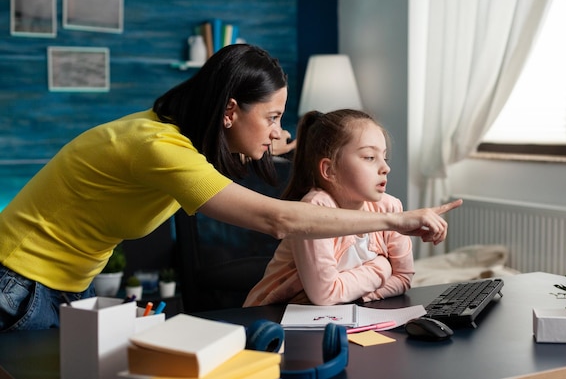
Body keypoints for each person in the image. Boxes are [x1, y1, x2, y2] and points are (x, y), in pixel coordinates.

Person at [0, 44, 461, 331]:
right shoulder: (160, 148)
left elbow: (255, 147)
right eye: (272, 117)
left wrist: (282, 142)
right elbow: (276, 219)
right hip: (18, 281)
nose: (275, 132)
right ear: (230, 110)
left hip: (57, 284)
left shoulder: (183, 139)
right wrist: (396, 218)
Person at [245, 109, 417, 307]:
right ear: (329, 170)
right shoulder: (316, 208)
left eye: (384, 158)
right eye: (369, 157)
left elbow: (404, 278)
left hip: (337, 315)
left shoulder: (390, 207)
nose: (385, 168)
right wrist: (382, 267)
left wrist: (361, 297)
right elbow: (326, 294)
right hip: (271, 318)